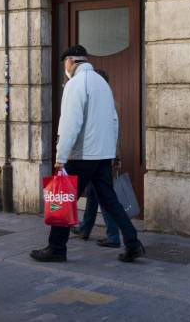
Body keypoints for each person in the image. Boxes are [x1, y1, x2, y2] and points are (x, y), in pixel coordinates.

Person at [31, 45, 144, 263]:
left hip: (82, 156)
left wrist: (60, 157)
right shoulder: (101, 83)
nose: (66, 67)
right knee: (111, 201)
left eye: (65, 63)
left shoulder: (75, 84)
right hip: (102, 155)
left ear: (71, 61)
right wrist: (110, 152)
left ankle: (56, 248)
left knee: (64, 201)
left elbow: (70, 124)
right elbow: (114, 121)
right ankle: (132, 242)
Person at [70, 69, 121, 248]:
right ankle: (85, 227)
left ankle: (114, 235)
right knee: (93, 195)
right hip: (102, 156)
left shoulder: (106, 103)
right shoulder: (107, 100)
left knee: (104, 197)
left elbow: (113, 132)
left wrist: (114, 156)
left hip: (97, 157)